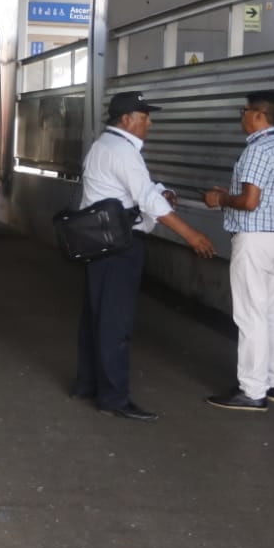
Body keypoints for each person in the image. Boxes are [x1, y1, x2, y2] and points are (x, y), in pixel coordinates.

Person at [73, 91, 217, 422]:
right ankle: (114, 398)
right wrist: (190, 235)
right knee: (115, 323)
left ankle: (88, 384)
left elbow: (132, 193)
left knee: (96, 317)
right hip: (119, 246)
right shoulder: (123, 151)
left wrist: (157, 194)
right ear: (126, 120)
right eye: (144, 116)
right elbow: (148, 199)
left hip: (99, 243)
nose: (149, 122)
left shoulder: (103, 146)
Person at [203, 91, 274, 412]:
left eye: (243, 111)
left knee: (250, 315)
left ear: (258, 115)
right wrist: (231, 195)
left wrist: (220, 199)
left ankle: (252, 391)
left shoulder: (257, 150)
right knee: (272, 312)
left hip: (254, 240)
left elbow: (249, 202)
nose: (241, 116)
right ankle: (273, 382)